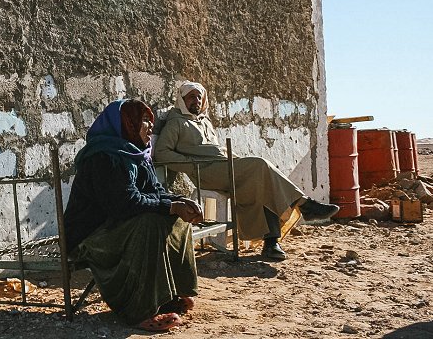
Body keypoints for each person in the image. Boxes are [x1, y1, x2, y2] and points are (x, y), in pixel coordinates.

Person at [152, 81, 339, 261]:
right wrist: (192, 164)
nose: (196, 100)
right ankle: (304, 204)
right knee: (259, 165)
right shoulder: (176, 122)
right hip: (206, 173)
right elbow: (161, 153)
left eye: (199, 97)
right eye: (191, 97)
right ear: (182, 99)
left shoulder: (204, 121)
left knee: (264, 184)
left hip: (223, 166)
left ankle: (271, 242)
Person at [63, 99, 203, 332]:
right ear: (126, 124)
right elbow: (124, 204)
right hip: (91, 236)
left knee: (178, 220)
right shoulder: (104, 156)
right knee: (149, 224)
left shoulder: (136, 153)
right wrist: (169, 207)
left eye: (150, 119)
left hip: (116, 226)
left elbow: (155, 192)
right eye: (144, 120)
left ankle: (169, 295)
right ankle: (139, 310)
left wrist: (179, 202)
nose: (151, 126)